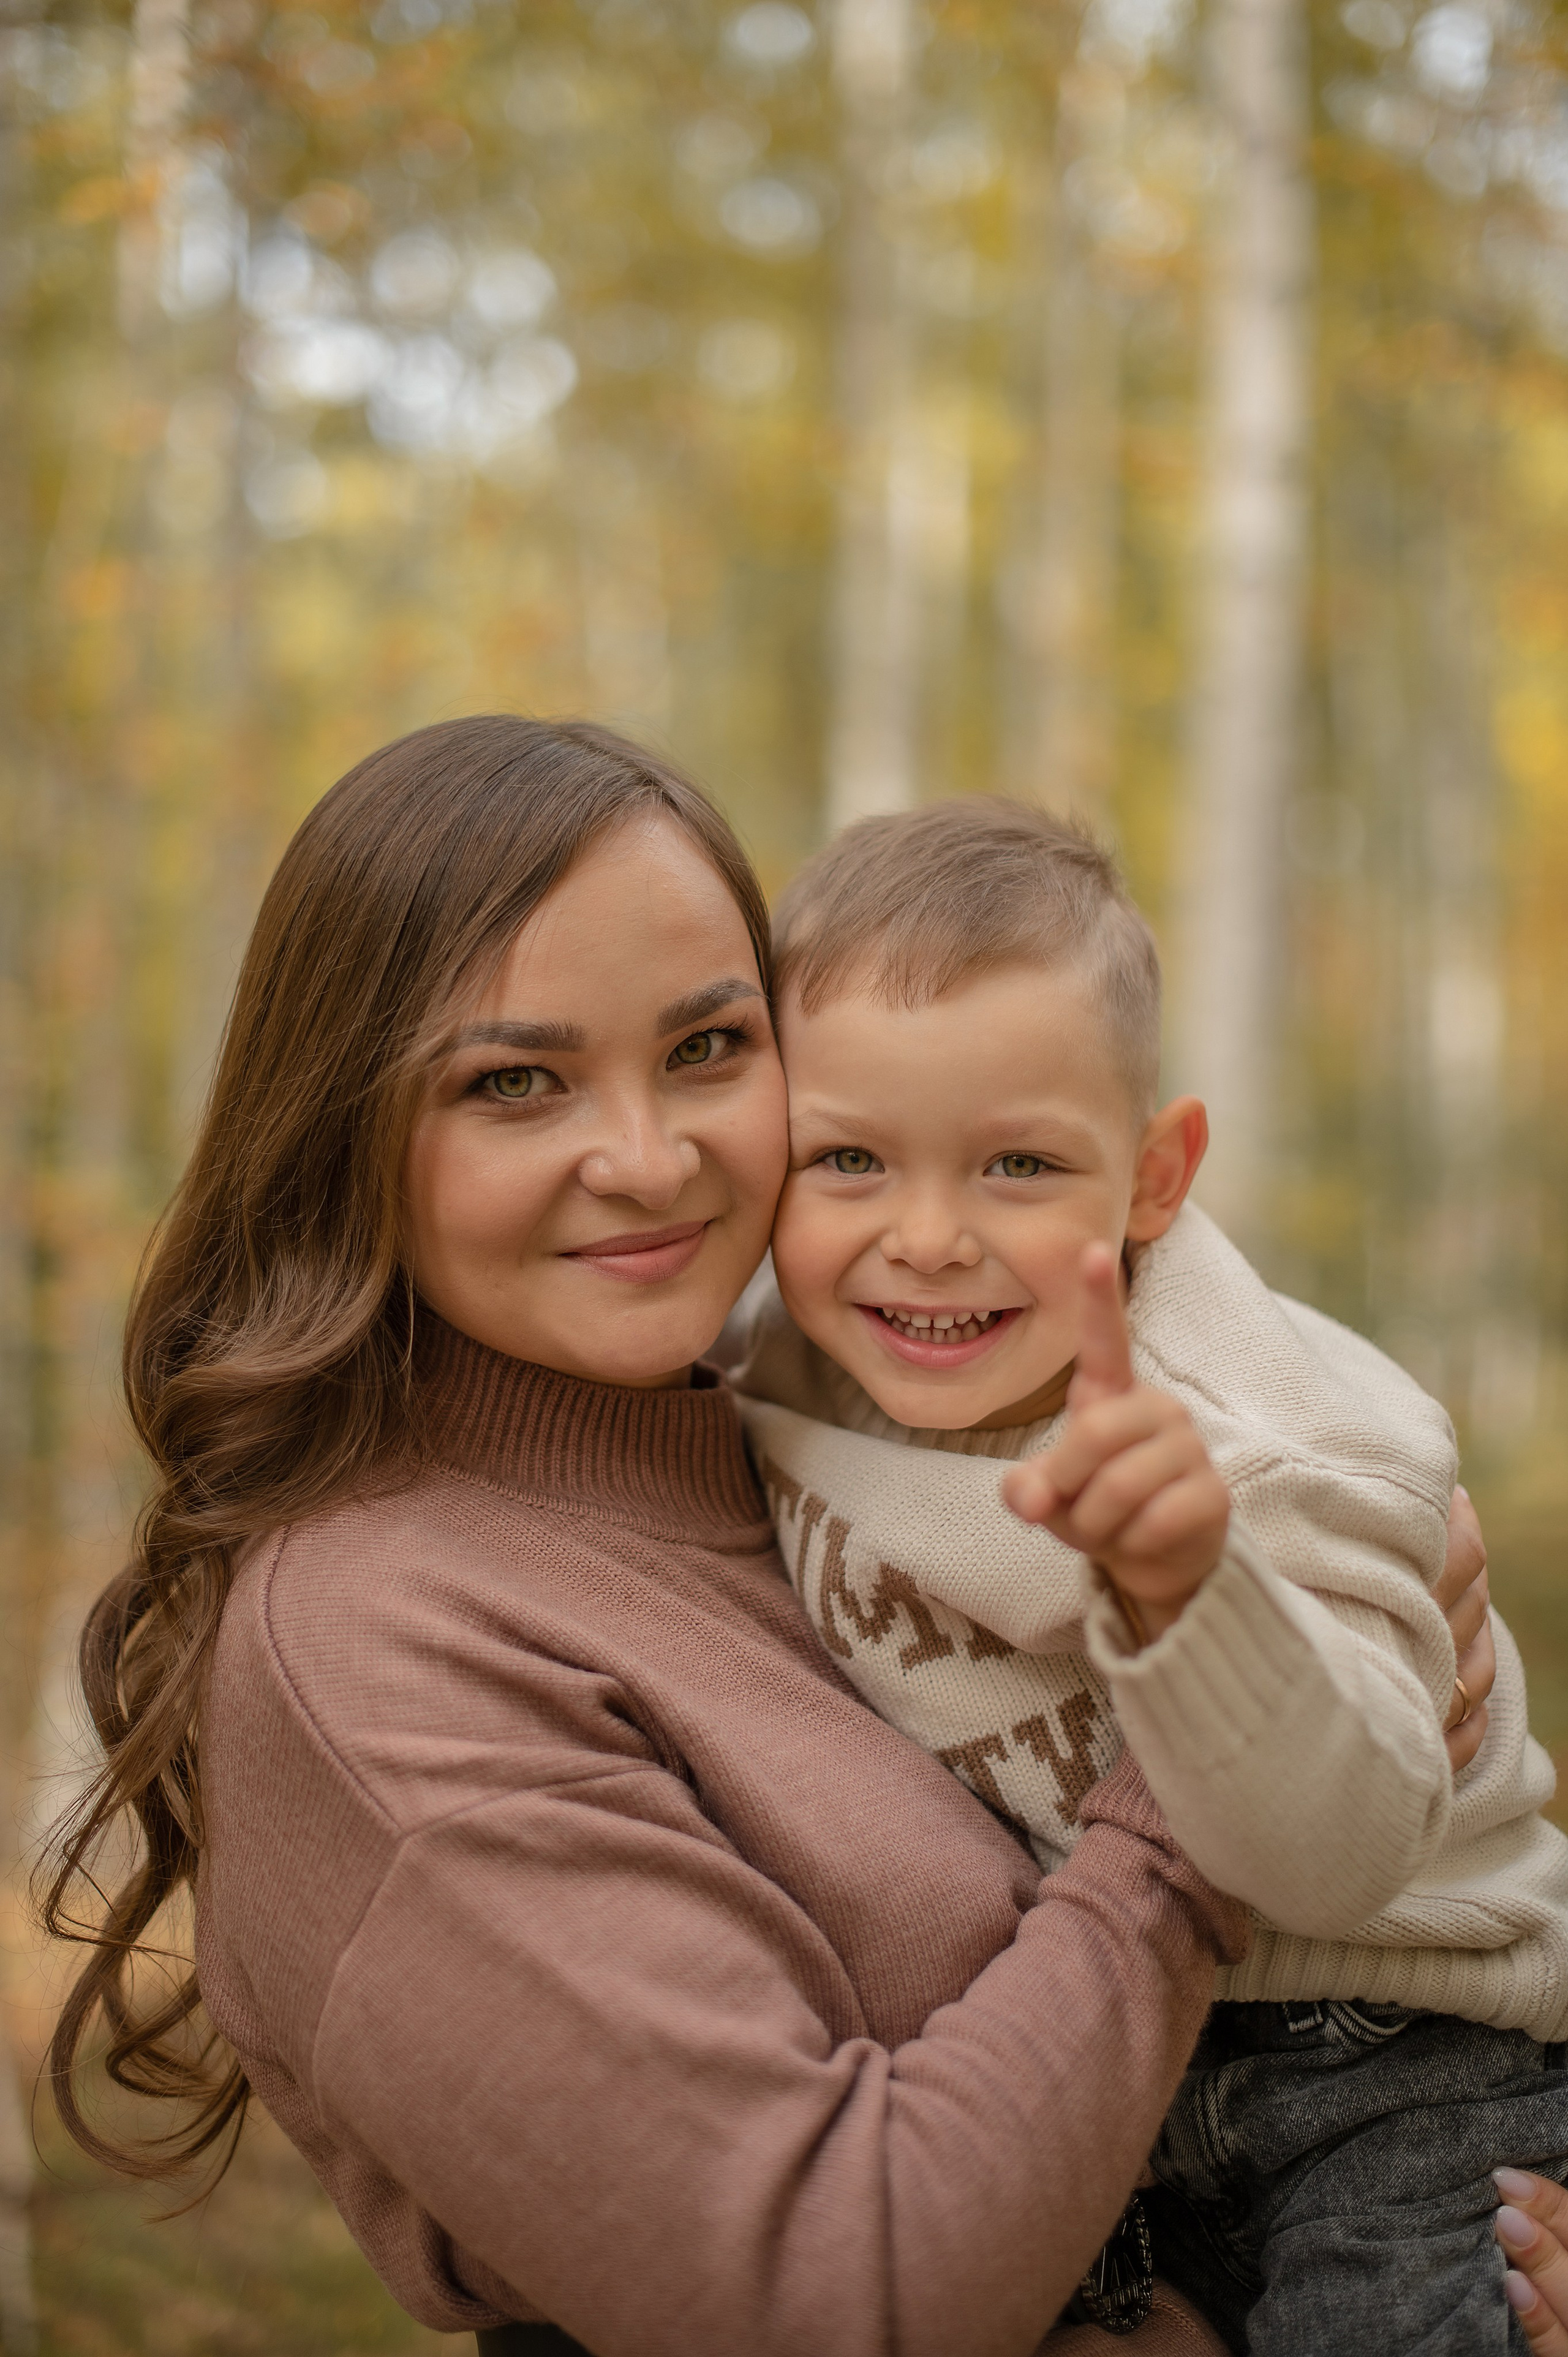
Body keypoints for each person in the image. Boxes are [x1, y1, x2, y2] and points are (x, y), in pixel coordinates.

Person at [39, 718, 1491, 2357]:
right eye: (515, 1081)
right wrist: (1203, 1736)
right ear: (347, 1128)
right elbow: (833, 2298)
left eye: (711, 1049)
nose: (651, 1161)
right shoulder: (379, 1642)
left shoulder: (815, 1436)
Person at [733, 796, 1567, 2355]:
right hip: (1082, 2051)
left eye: (1016, 1166)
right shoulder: (782, 1364)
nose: (923, 1237)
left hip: (1385, 2054)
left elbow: (1335, 1856)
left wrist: (1193, 1590)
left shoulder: (1276, 1449)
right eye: (845, 1157)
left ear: (1153, 1176)